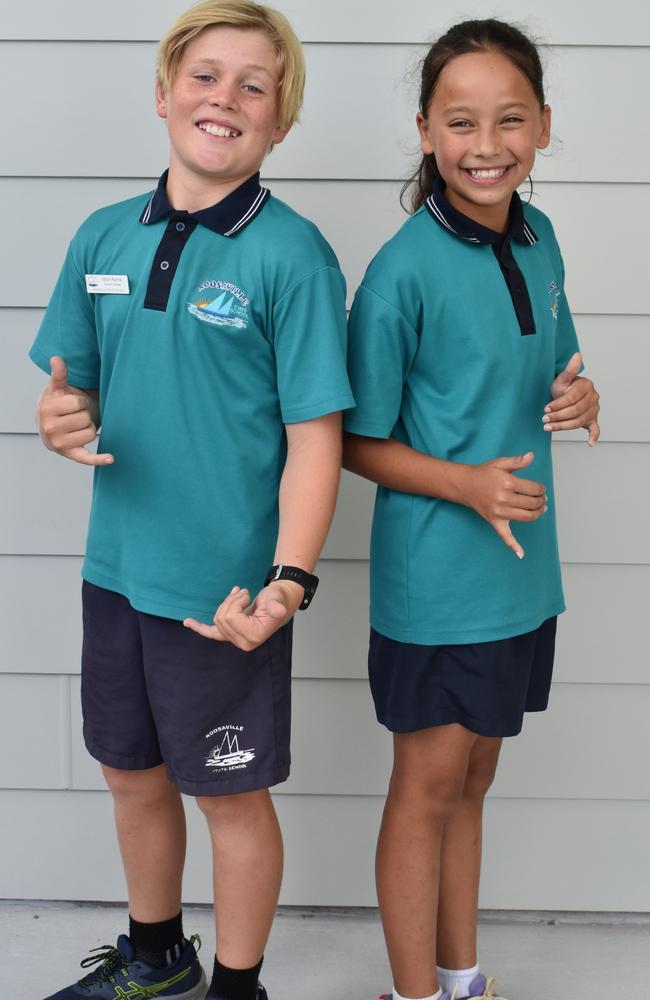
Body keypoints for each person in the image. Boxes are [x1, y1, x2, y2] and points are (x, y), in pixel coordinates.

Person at [30, 2, 353, 998]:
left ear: (279, 124)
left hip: (223, 598)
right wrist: (58, 414)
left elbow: (315, 438)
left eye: (253, 85)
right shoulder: (100, 235)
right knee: (130, 770)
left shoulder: (289, 253)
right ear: (165, 92)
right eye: (205, 75)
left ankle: (237, 986)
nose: (225, 97)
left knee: (229, 795)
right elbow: (69, 387)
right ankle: (157, 956)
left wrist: (288, 578)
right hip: (117, 572)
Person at [343, 19, 600, 1000]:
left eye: (507, 119)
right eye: (459, 121)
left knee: (473, 783)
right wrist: (465, 485)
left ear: (540, 125)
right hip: (438, 582)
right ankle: (409, 995)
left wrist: (582, 399)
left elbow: (558, 372)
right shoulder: (402, 270)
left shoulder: (540, 240)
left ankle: (461, 979)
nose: (484, 144)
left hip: (519, 573)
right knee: (425, 790)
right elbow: (354, 440)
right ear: (423, 131)